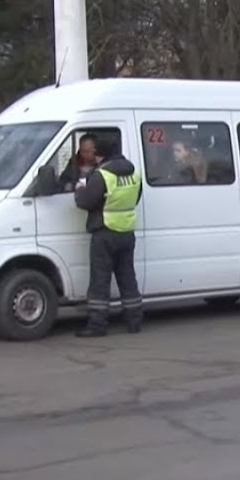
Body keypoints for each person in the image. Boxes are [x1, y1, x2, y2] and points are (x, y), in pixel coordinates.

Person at [74, 138, 144, 336]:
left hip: (104, 232)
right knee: (128, 278)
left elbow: (86, 202)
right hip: (127, 232)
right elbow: (136, 198)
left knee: (100, 280)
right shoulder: (134, 174)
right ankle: (134, 322)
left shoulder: (102, 175)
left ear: (100, 154)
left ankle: (97, 325)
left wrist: (79, 191)